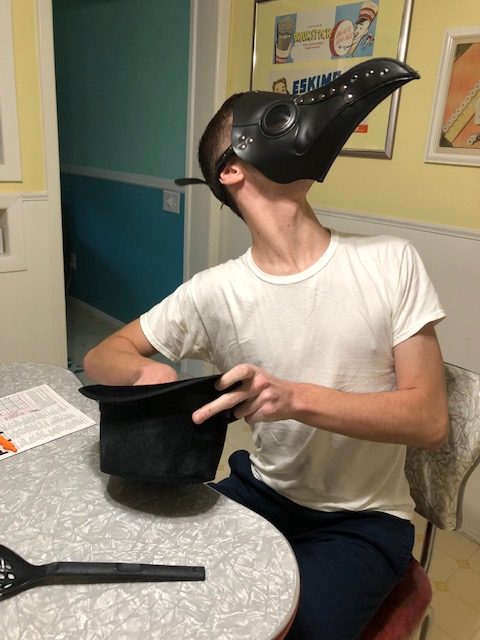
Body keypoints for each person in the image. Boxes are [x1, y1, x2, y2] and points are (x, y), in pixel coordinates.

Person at [84, 91, 449, 639]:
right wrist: (145, 373)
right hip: (260, 493)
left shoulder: (391, 261)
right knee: (159, 592)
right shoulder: (214, 292)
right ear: (231, 169)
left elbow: (429, 421)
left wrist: (295, 398)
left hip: (363, 520)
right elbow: (102, 354)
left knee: (290, 630)